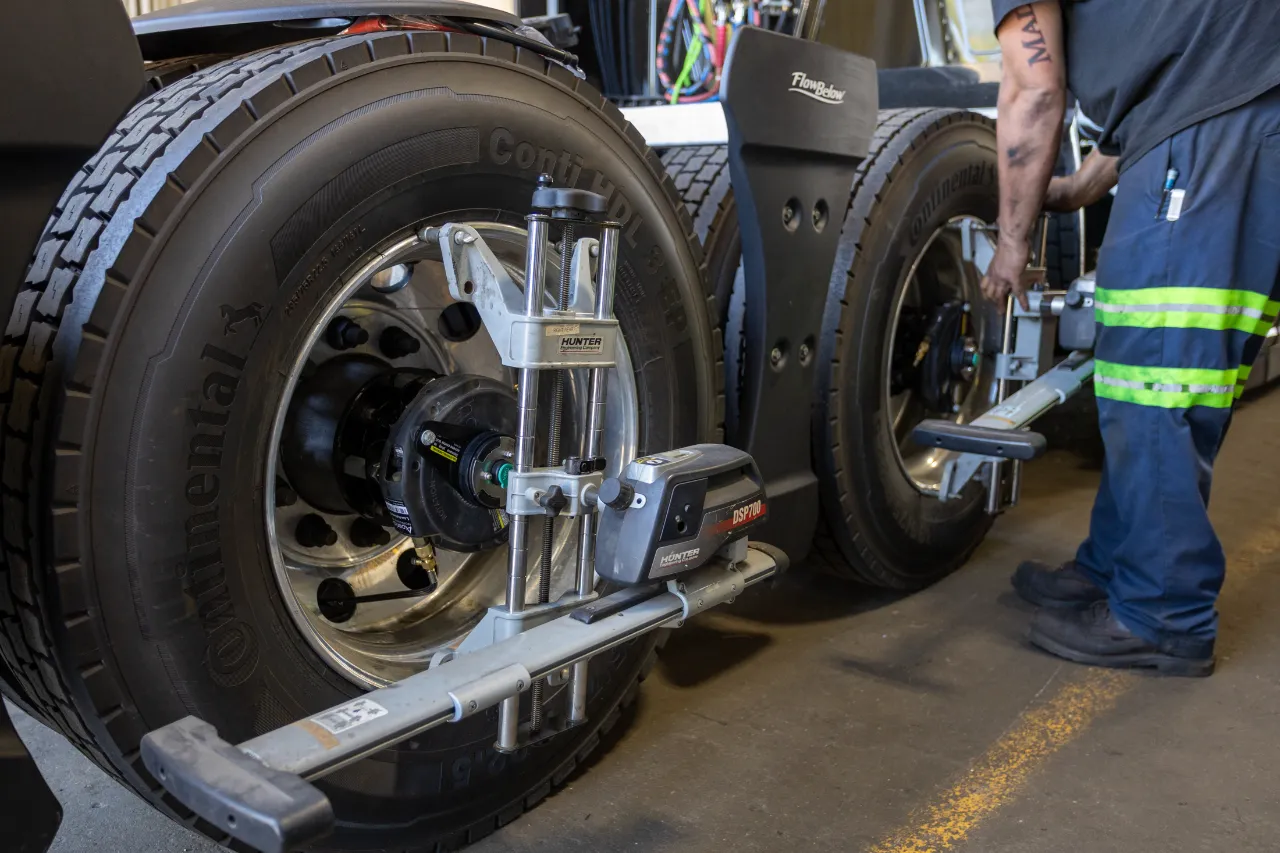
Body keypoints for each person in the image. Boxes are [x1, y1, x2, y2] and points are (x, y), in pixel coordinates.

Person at [984, 1, 1280, 676]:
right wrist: (1082, 184)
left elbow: (1034, 90)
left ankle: (1162, 611)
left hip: (1219, 125)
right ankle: (1118, 564)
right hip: (1222, 114)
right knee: (1138, 369)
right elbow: (1169, 54)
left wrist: (1012, 241)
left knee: (1157, 377)